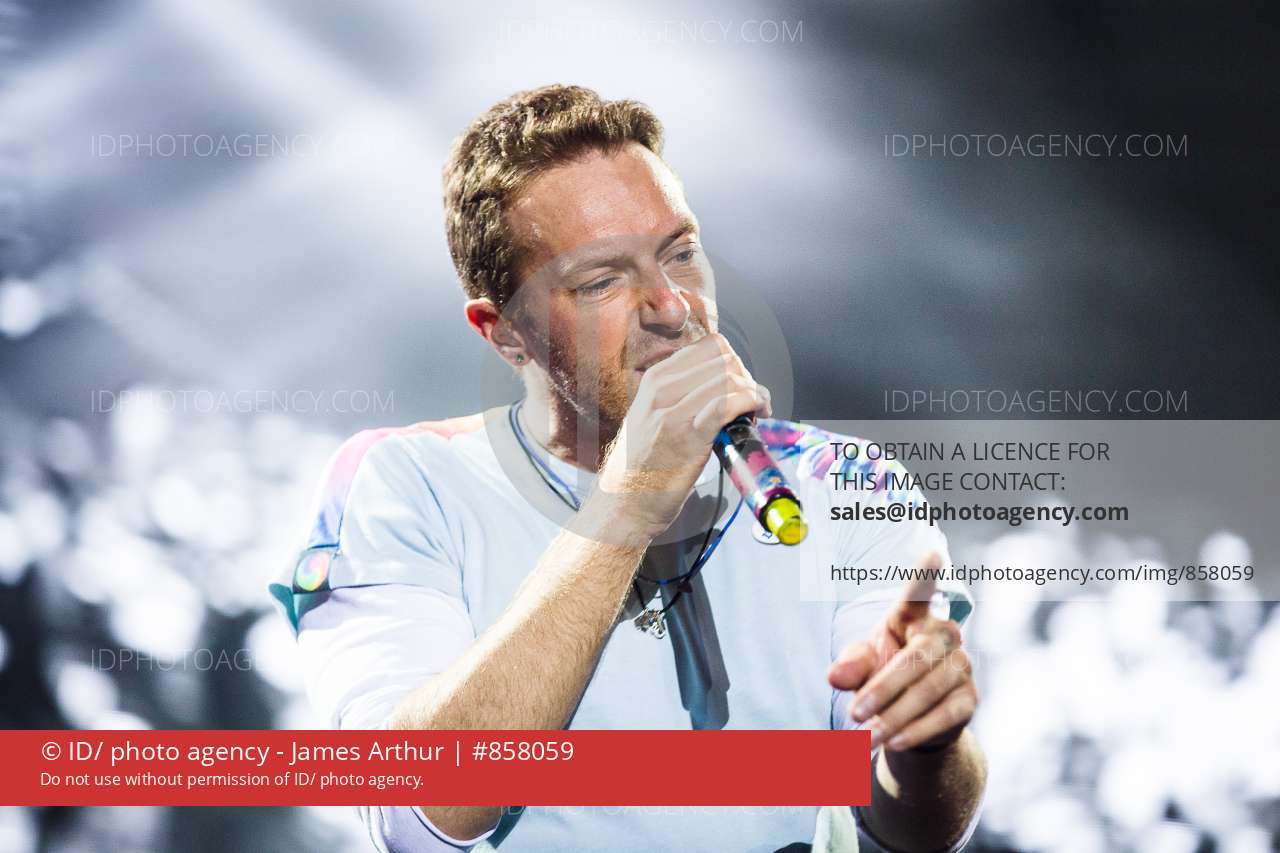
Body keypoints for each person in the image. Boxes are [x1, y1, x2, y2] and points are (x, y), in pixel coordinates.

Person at [270, 84, 986, 852]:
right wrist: (630, 500)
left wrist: (924, 747)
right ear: (503, 331)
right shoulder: (403, 483)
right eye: (601, 280)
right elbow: (419, 814)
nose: (672, 306)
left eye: (680, 252)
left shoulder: (845, 479)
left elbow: (921, 832)